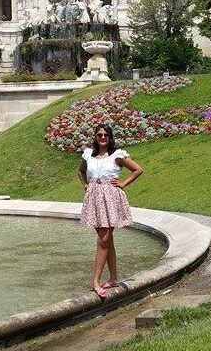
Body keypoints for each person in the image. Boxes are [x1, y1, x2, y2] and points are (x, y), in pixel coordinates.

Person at [78, 124, 143, 299]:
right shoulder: (88, 154)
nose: (103, 137)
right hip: (95, 198)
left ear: (110, 137)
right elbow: (81, 171)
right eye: (100, 134)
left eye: (106, 134)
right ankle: (113, 278)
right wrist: (86, 184)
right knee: (107, 239)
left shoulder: (117, 155)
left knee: (104, 239)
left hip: (111, 197)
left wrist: (123, 183)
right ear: (96, 136)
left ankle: (95, 282)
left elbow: (138, 169)